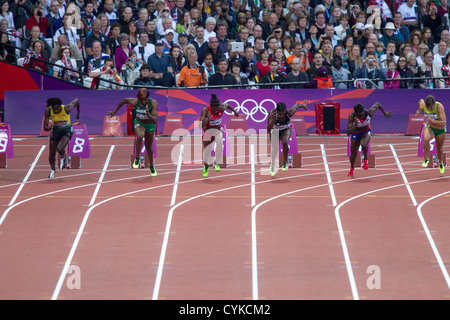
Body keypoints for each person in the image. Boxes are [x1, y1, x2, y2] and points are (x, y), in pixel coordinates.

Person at [108, 88, 158, 176]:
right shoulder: (135, 102)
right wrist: (115, 112)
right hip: (139, 122)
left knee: (149, 146)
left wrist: (148, 114)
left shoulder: (153, 103)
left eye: (144, 100)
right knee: (139, 136)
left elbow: (155, 120)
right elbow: (123, 101)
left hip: (150, 124)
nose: (142, 102)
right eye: (140, 100)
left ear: (147, 97)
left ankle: (151, 166)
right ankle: (137, 157)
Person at [199, 93, 239, 177]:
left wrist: (235, 111)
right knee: (207, 151)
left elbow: (228, 105)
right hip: (207, 132)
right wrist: (208, 118)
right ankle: (206, 167)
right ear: (210, 107)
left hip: (217, 130)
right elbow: (200, 125)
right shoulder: (205, 111)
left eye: (217, 109)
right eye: (214, 110)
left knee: (220, 144)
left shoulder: (222, 107)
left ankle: (217, 163)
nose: (216, 111)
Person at [347, 102, 392, 177]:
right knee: (352, 156)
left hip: (365, 131)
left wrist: (385, 112)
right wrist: (354, 126)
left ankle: (365, 160)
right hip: (355, 133)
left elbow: (377, 104)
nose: (361, 117)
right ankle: (351, 168)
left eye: (362, 114)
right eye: (359, 115)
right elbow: (348, 132)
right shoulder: (352, 116)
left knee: (364, 144)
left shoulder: (369, 112)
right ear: (356, 113)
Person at [267, 100, 309, 176]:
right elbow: (269, 129)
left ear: (285, 111)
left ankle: (285, 162)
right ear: (277, 111)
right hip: (274, 130)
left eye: (283, 114)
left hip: (285, 129)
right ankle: (272, 164)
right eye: (280, 114)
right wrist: (273, 120)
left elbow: (297, 105)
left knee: (285, 142)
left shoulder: (290, 112)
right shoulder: (272, 113)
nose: (282, 116)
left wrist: (304, 106)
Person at [43, 97, 80, 179]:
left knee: (60, 149)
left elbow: (76, 100)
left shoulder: (67, 108)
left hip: (66, 130)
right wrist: (49, 128)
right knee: (51, 153)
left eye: (57, 108)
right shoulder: (48, 110)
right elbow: (45, 127)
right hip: (56, 130)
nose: (55, 110)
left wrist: (78, 112)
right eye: (54, 109)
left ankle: (62, 156)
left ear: (60, 106)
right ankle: (53, 170)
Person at [416, 95, 447, 174]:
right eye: (428, 107)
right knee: (426, 139)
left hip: (440, 129)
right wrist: (419, 109)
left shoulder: (439, 107)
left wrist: (432, 120)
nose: (429, 109)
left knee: (439, 148)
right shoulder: (424, 106)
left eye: (431, 107)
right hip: (430, 127)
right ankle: (426, 159)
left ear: (434, 104)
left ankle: (440, 163)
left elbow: (443, 123)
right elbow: (421, 100)